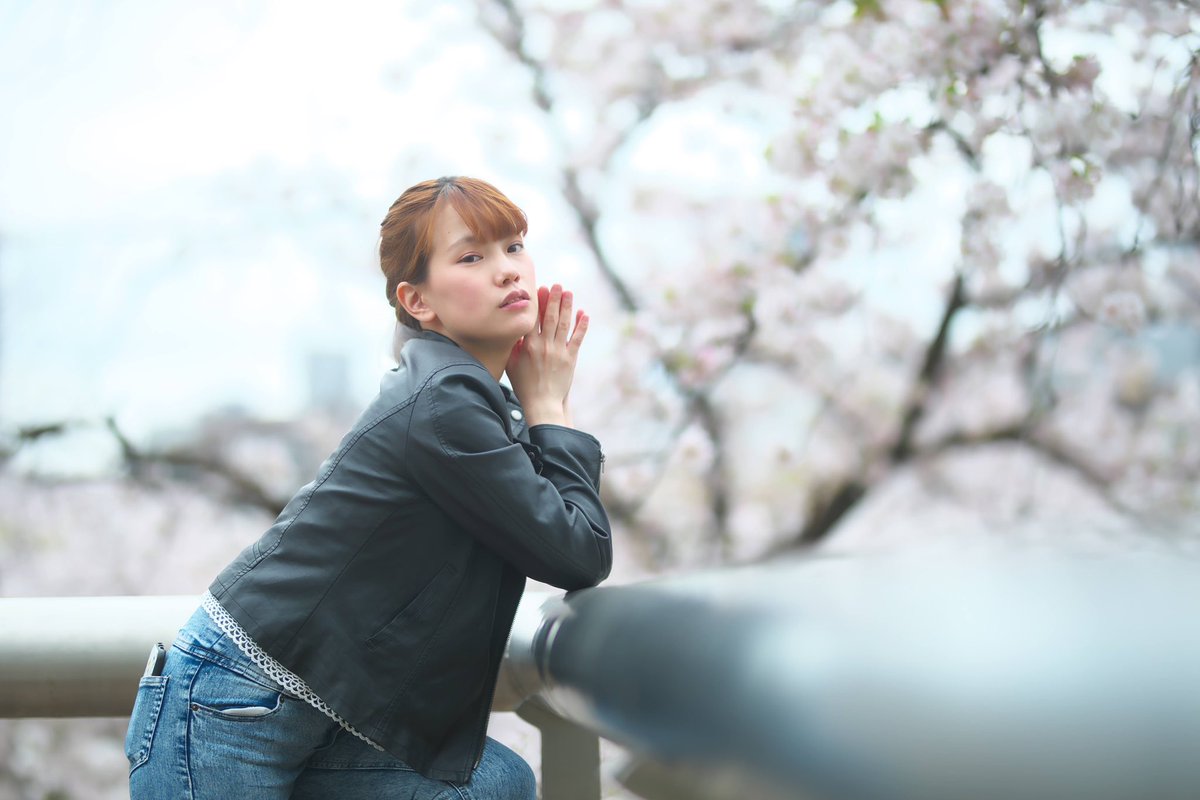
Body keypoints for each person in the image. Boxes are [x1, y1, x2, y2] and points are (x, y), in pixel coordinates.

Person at [124, 176, 613, 799]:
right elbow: (579, 551)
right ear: (418, 302)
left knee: (492, 784)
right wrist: (547, 405)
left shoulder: (465, 396)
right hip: (229, 708)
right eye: (472, 256)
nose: (506, 271)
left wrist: (536, 408)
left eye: (514, 246)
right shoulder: (444, 402)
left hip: (303, 708)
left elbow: (559, 534)